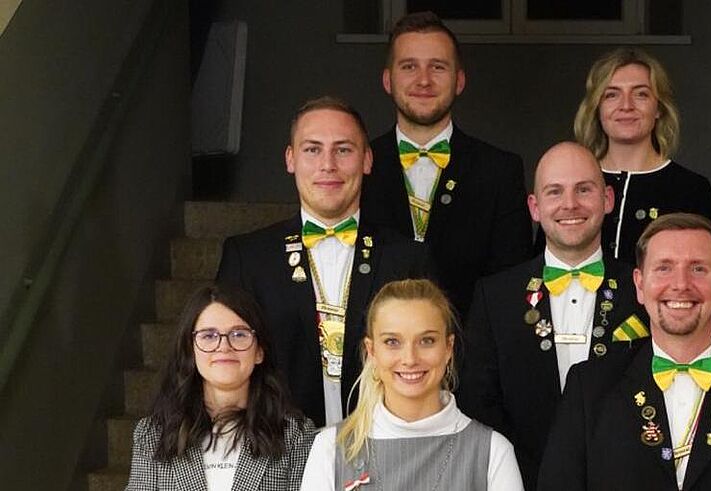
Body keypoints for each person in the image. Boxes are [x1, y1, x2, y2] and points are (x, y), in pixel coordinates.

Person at [537, 213, 711, 490]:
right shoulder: (589, 390)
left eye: (698, 268)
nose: (680, 284)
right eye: (664, 268)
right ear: (639, 284)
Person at [217, 96, 432, 427]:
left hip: (385, 444)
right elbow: (223, 364)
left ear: (367, 160)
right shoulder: (248, 257)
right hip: (278, 447)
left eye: (343, 150)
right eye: (312, 149)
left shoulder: (407, 259)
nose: (327, 164)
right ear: (290, 159)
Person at [459, 142, 640, 489]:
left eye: (583, 189)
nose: (570, 204)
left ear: (608, 199)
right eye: (554, 192)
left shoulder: (643, 292)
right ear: (535, 207)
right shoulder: (494, 297)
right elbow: (479, 404)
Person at [361, 11, 532, 315]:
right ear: (388, 80)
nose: (423, 80)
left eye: (437, 67)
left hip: (469, 341)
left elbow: (509, 284)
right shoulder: (358, 166)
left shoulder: (499, 171)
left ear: (459, 80)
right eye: (409, 66)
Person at [300, 279, 524, 490]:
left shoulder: (493, 451)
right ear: (371, 351)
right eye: (392, 342)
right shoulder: (330, 448)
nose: (410, 359)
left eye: (426, 341)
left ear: (448, 348)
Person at [127, 285, 316, 490]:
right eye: (209, 336)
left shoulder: (295, 434)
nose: (224, 347)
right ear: (190, 350)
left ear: (259, 351)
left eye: (239, 334)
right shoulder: (153, 435)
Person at [572, 47, 711, 264]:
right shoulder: (572, 181)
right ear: (597, 108)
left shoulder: (691, 189)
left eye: (640, 94)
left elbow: (704, 268)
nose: (626, 106)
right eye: (611, 95)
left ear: (658, 108)